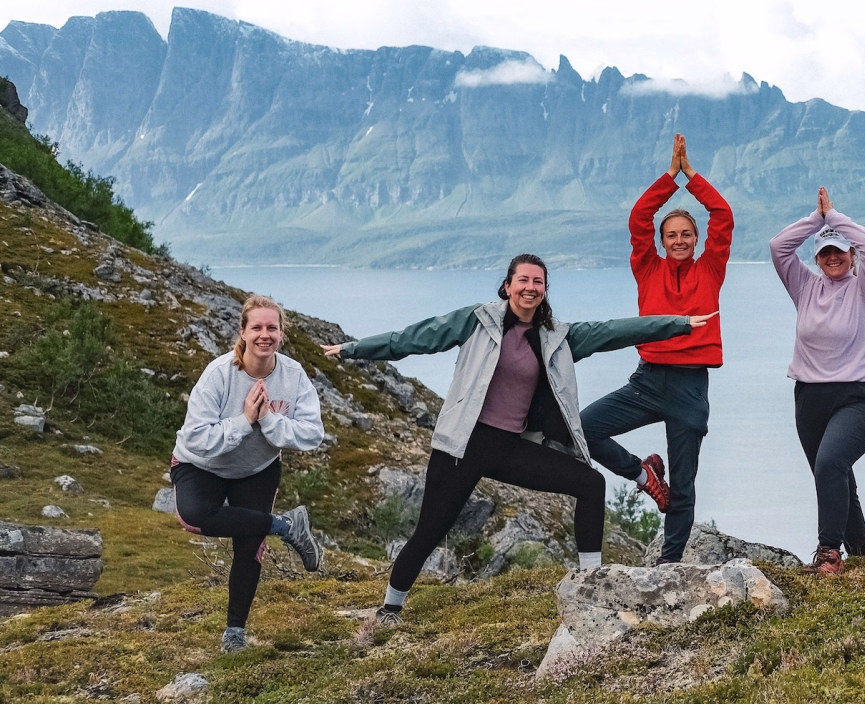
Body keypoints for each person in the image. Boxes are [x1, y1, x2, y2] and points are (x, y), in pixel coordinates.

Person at [325, 254, 711, 625]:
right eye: (522, 280)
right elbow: (411, 339)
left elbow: (614, 331)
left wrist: (678, 323)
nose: (530, 287)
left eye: (537, 282)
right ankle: (390, 609)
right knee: (430, 530)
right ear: (507, 285)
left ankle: (589, 583)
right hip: (462, 446)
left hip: (509, 447)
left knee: (590, 483)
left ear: (545, 290)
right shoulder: (476, 321)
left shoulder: (556, 338)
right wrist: (353, 350)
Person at [580, 133, 732, 564]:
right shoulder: (646, 268)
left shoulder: (711, 268)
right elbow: (638, 217)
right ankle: (642, 473)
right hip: (647, 381)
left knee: (684, 484)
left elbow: (722, 214)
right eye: (671, 235)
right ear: (661, 242)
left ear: (697, 239)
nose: (679, 240)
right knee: (584, 428)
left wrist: (693, 177)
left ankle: (669, 561)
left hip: (689, 387)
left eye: (686, 234)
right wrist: (670, 178)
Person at [172, 294, 326, 652]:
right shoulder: (219, 374)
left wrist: (269, 420)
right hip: (201, 464)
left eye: (272, 327)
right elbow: (196, 437)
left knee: (249, 545)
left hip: (257, 468)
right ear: (242, 332)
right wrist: (244, 422)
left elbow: (312, 433)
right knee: (194, 516)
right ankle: (285, 527)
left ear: (282, 334)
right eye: (256, 327)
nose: (264, 334)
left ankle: (235, 634)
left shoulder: (292, 376)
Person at [771, 187, 865, 575]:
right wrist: (815, 221)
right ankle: (864, 557)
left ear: (851, 255)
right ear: (817, 258)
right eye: (825, 252)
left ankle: (828, 553)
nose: (833, 257)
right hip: (809, 398)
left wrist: (834, 217)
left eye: (840, 250)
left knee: (830, 463)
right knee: (834, 476)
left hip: (860, 397)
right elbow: (778, 247)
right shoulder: (805, 287)